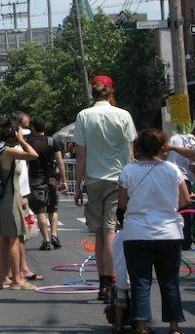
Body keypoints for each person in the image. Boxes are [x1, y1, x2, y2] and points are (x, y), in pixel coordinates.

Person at [117, 129, 189, 334]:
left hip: (137, 233)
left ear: (138, 148)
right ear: (162, 147)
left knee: (140, 281)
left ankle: (141, 325)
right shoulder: (173, 170)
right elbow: (185, 200)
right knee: (170, 281)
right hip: (169, 232)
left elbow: (122, 203)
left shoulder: (128, 171)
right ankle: (174, 326)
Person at [73, 74, 137, 299]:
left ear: (93, 92)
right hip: (118, 179)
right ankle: (113, 281)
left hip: (93, 178)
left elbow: (80, 155)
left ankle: (102, 283)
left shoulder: (83, 116)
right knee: (112, 231)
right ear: (111, 92)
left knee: (99, 234)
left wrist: (78, 185)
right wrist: (132, 183)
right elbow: (130, 153)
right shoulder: (123, 115)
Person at [0, 122, 39, 290]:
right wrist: (23, 141)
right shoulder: (10, 151)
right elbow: (34, 155)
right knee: (14, 239)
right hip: (11, 200)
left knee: (2, 239)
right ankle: (17, 280)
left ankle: (3, 279)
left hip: (1, 201)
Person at [27, 117, 65, 250]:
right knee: (53, 209)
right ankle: (54, 235)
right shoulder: (52, 141)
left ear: (32, 128)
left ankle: (46, 240)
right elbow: (60, 162)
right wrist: (64, 180)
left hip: (36, 179)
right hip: (52, 179)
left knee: (40, 210)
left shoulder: (28, 142)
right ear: (45, 127)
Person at [167, 125, 195, 249]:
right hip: (184, 180)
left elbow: (165, 155)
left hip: (169, 177)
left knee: (172, 209)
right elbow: (194, 166)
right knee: (185, 210)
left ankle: (172, 238)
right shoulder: (193, 142)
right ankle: (185, 240)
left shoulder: (174, 138)